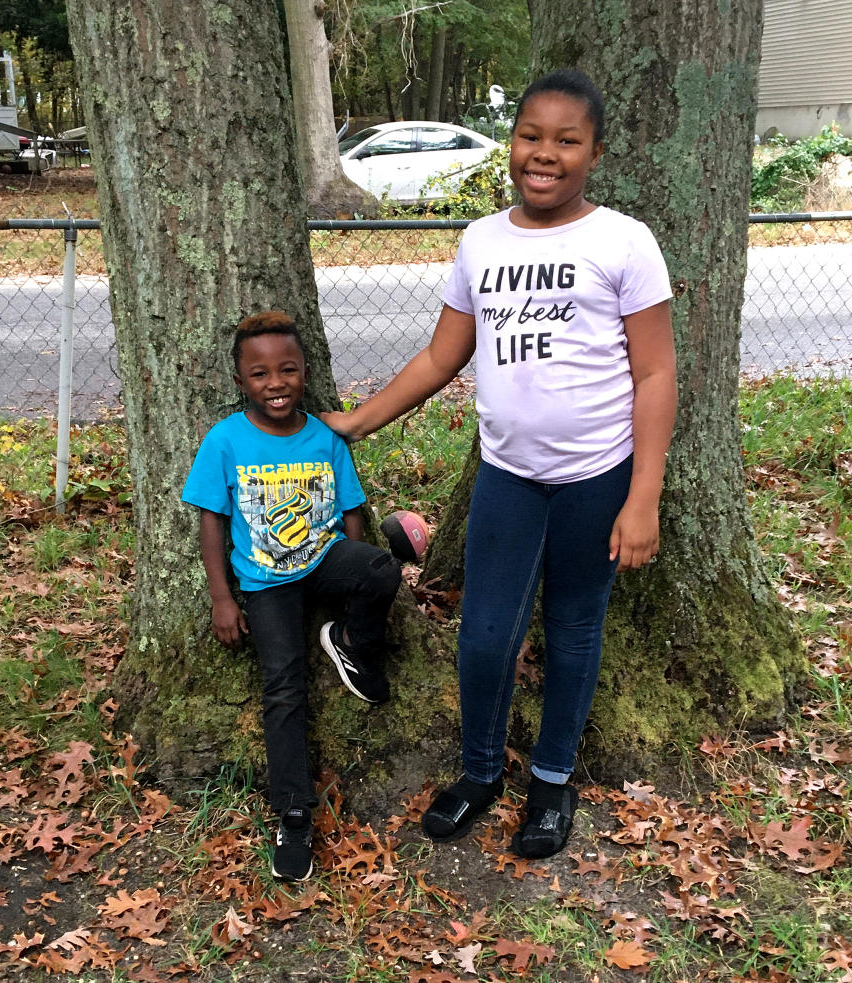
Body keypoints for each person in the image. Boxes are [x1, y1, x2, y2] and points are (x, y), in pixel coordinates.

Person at [323, 69, 677, 859]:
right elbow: (441, 355)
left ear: (595, 151)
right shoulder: (482, 241)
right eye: (530, 135)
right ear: (511, 140)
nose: (543, 154)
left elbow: (656, 373)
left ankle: (552, 782)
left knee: (575, 629)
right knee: (484, 635)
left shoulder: (623, 241)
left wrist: (643, 493)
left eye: (566, 140)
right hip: (509, 478)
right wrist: (354, 422)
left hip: (597, 479)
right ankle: (481, 772)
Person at [182, 311, 402, 881]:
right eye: (259, 374)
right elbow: (211, 522)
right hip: (263, 582)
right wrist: (222, 599)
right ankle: (295, 813)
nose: (274, 383)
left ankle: (351, 643)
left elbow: (351, 513)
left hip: (323, 560)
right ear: (240, 383)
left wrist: (351, 583)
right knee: (284, 687)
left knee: (380, 565)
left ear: (306, 372)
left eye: (287, 370)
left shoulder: (324, 436)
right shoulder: (225, 440)